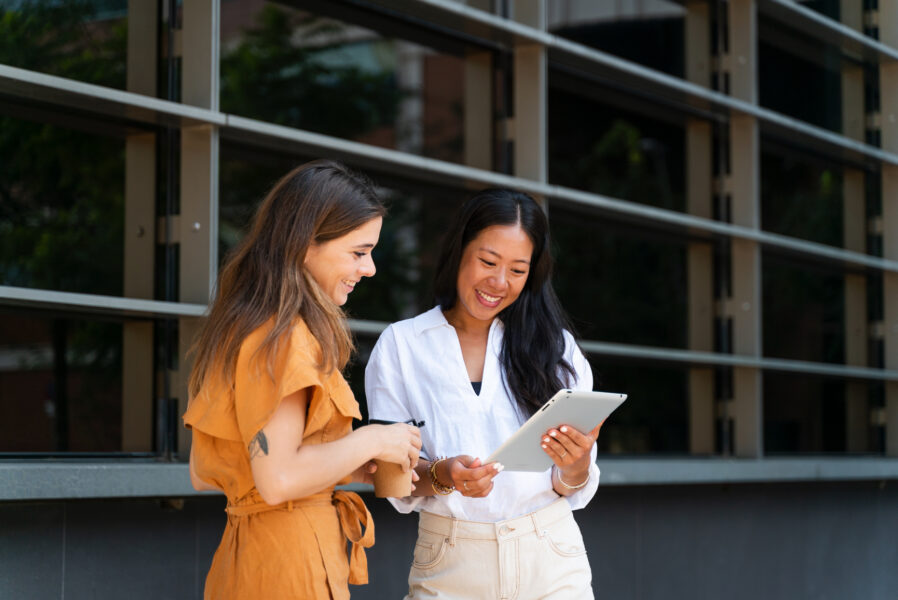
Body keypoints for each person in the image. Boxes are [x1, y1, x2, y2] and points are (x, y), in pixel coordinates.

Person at [183, 159, 422, 600]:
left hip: (255, 554)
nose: (369, 269)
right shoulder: (283, 337)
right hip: (288, 564)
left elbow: (230, 471)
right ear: (306, 244)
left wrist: (352, 465)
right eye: (358, 252)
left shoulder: (253, 327)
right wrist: (372, 441)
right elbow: (277, 478)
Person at [365, 188, 601, 599]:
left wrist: (576, 463)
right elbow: (390, 479)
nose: (499, 282)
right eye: (488, 262)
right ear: (459, 250)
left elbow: (574, 484)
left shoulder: (557, 349)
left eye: (517, 270)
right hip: (452, 560)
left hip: (550, 555)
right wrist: (444, 475)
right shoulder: (402, 345)